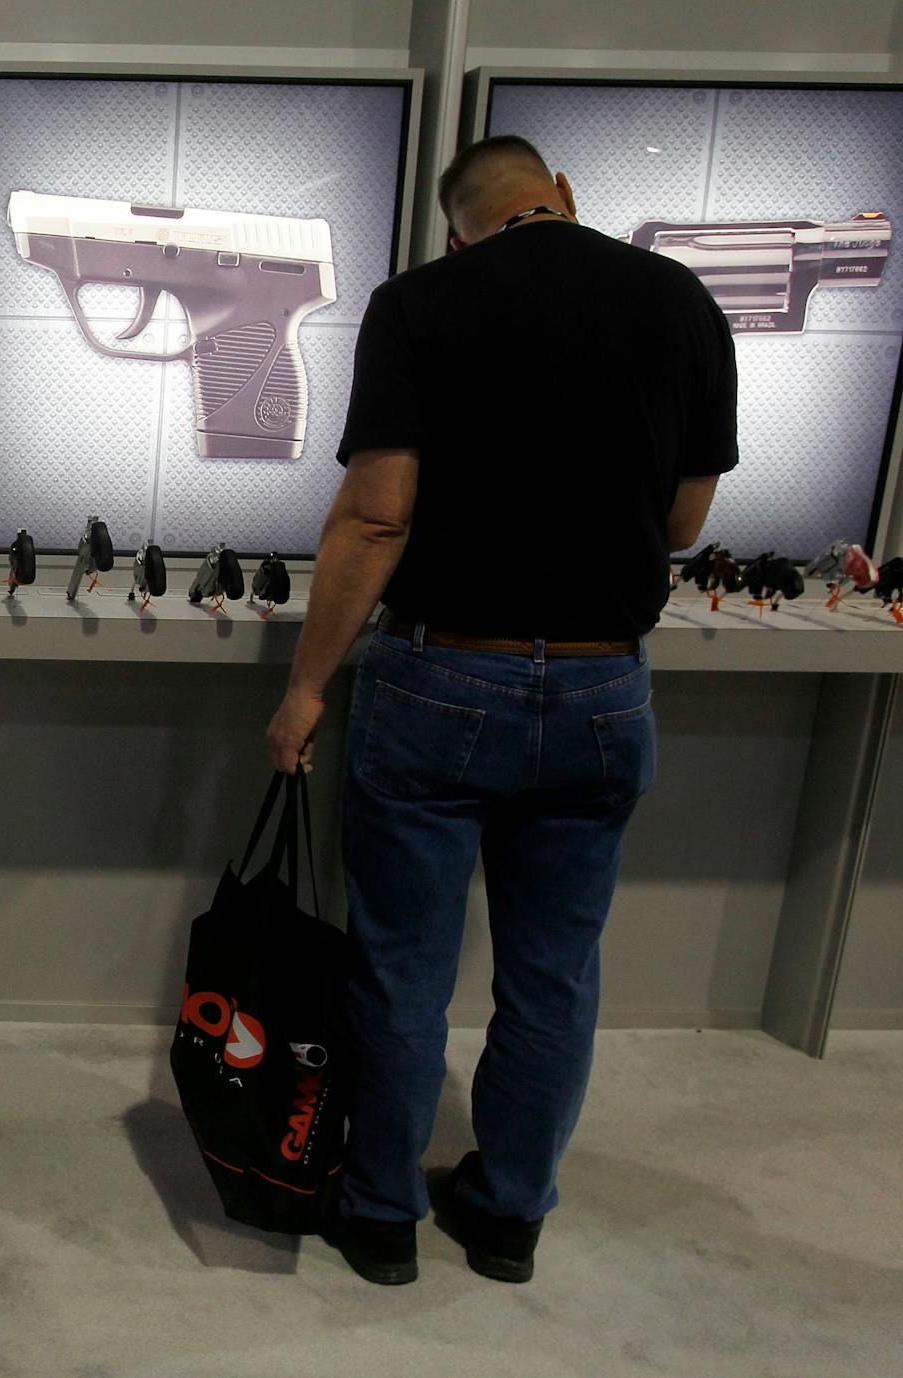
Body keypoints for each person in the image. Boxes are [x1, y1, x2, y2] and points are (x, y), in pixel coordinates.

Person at [263, 135, 736, 1286]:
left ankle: (380, 1216)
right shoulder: (684, 304)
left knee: (401, 972)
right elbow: (681, 524)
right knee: (553, 976)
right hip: (603, 688)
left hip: (443, 678)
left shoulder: (420, 305)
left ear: (457, 229)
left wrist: (307, 685)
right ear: (562, 196)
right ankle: (509, 1213)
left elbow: (377, 518)